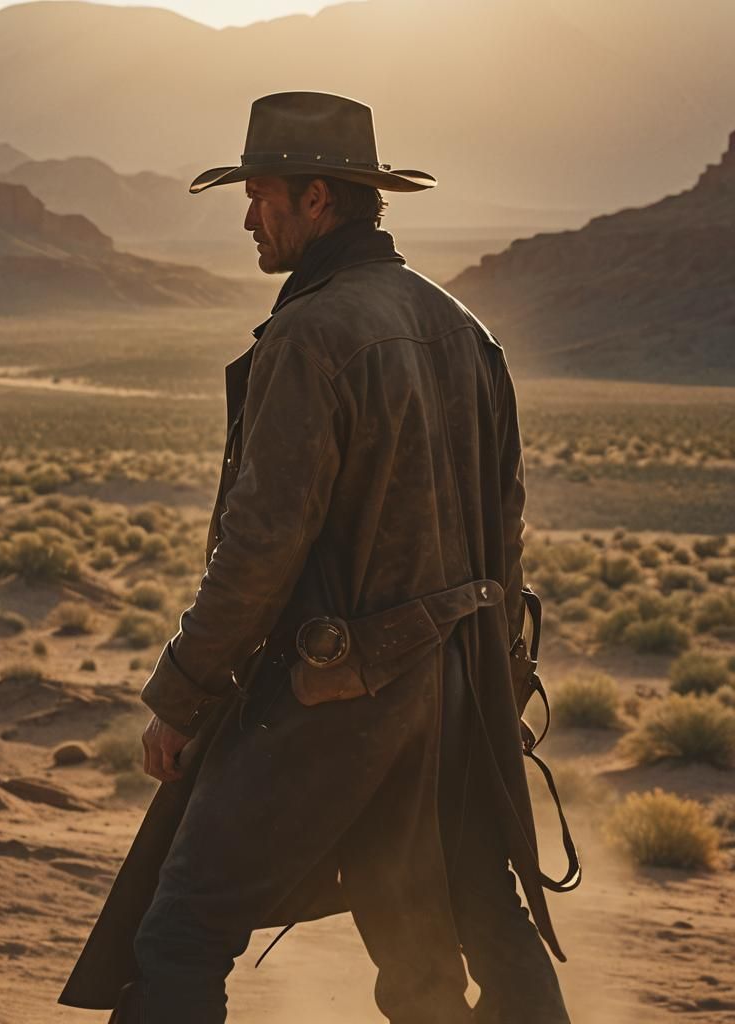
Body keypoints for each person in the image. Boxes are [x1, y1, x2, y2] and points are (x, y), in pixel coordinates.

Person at [59, 91, 572, 1024]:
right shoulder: (465, 328)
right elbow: (508, 529)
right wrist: (493, 678)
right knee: (446, 928)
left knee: (180, 931)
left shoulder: (310, 334)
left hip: (342, 692)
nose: (248, 216)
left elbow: (260, 545)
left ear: (318, 201)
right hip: (457, 687)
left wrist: (181, 694)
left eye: (260, 195)